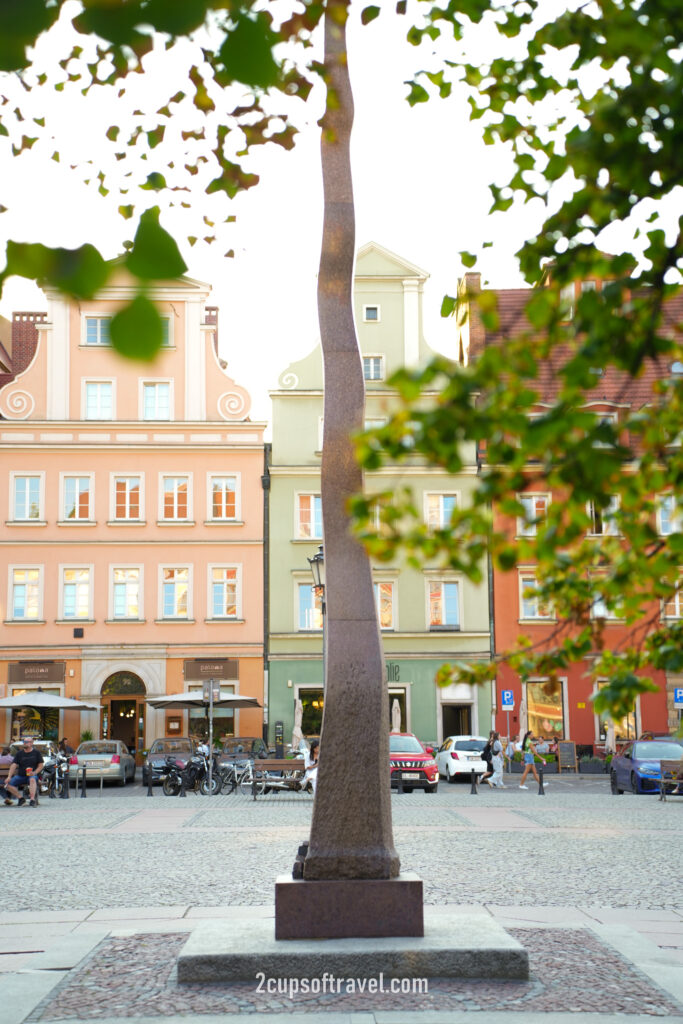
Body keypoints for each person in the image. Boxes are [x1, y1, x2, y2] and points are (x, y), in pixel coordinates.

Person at [4, 736, 44, 807]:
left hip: (32, 775)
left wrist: (35, 772)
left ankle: (32, 800)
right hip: (21, 776)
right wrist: (9, 777)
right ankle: (21, 798)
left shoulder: (36, 753)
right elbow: (13, 765)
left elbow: (41, 765)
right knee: (8, 784)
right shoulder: (19, 753)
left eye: (26, 742)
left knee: (32, 779)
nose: (24, 743)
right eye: (23, 742)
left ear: (31, 743)